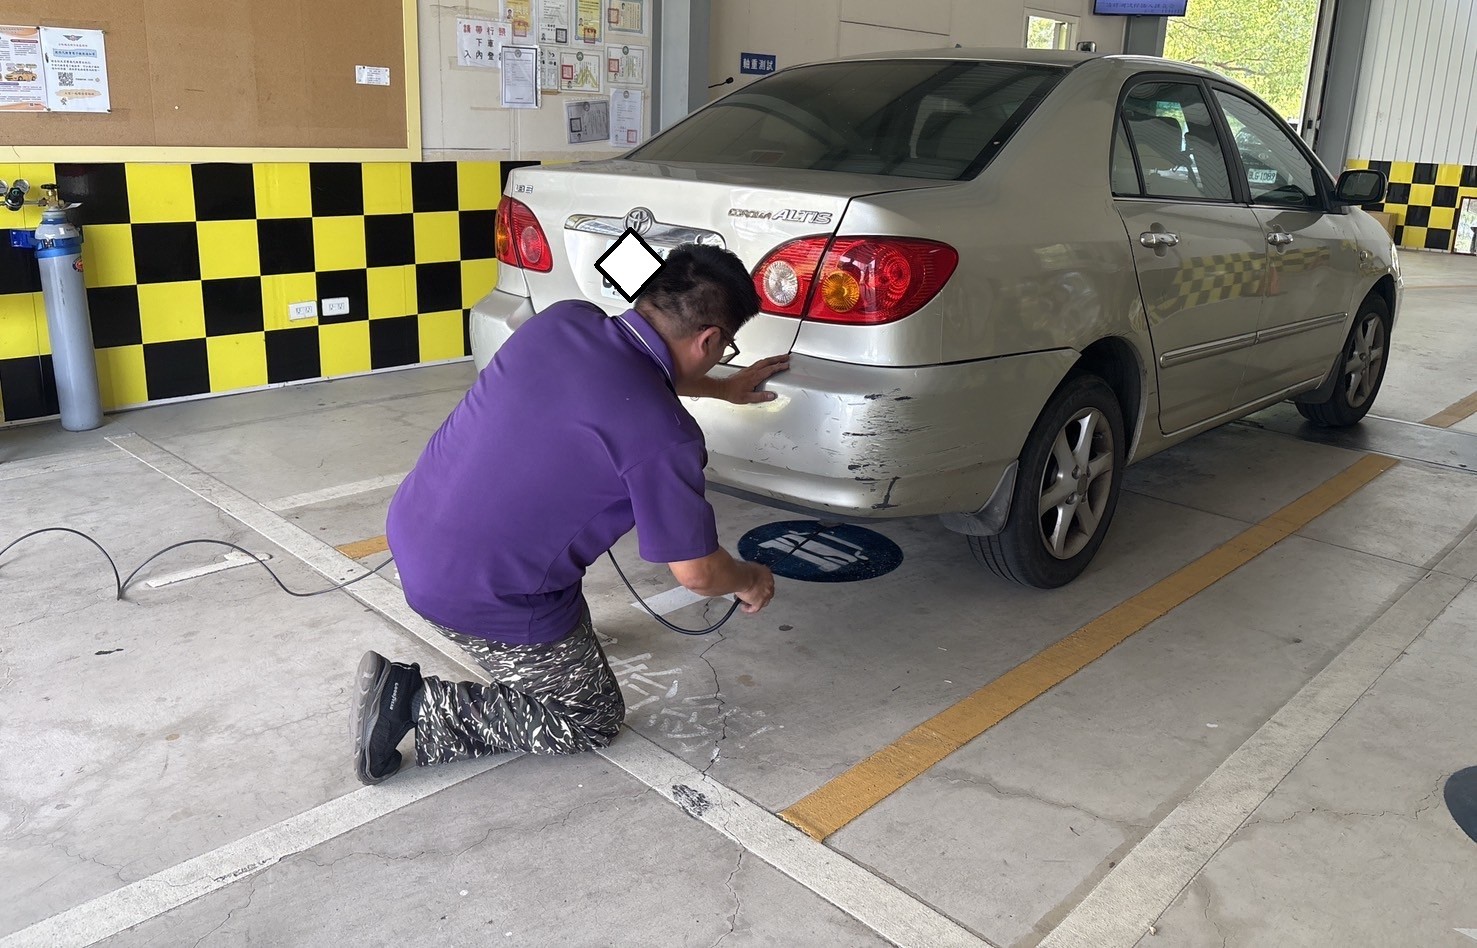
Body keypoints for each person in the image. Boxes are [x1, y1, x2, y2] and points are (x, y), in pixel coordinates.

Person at [351, 244, 789, 784]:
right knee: (589, 719)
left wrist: (720, 388)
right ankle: (414, 703)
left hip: (415, 529)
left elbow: (629, 375)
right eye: (725, 351)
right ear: (711, 340)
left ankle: (536, 650)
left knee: (566, 619)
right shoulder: (666, 439)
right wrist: (749, 580)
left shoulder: (563, 321)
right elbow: (697, 572)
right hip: (481, 591)